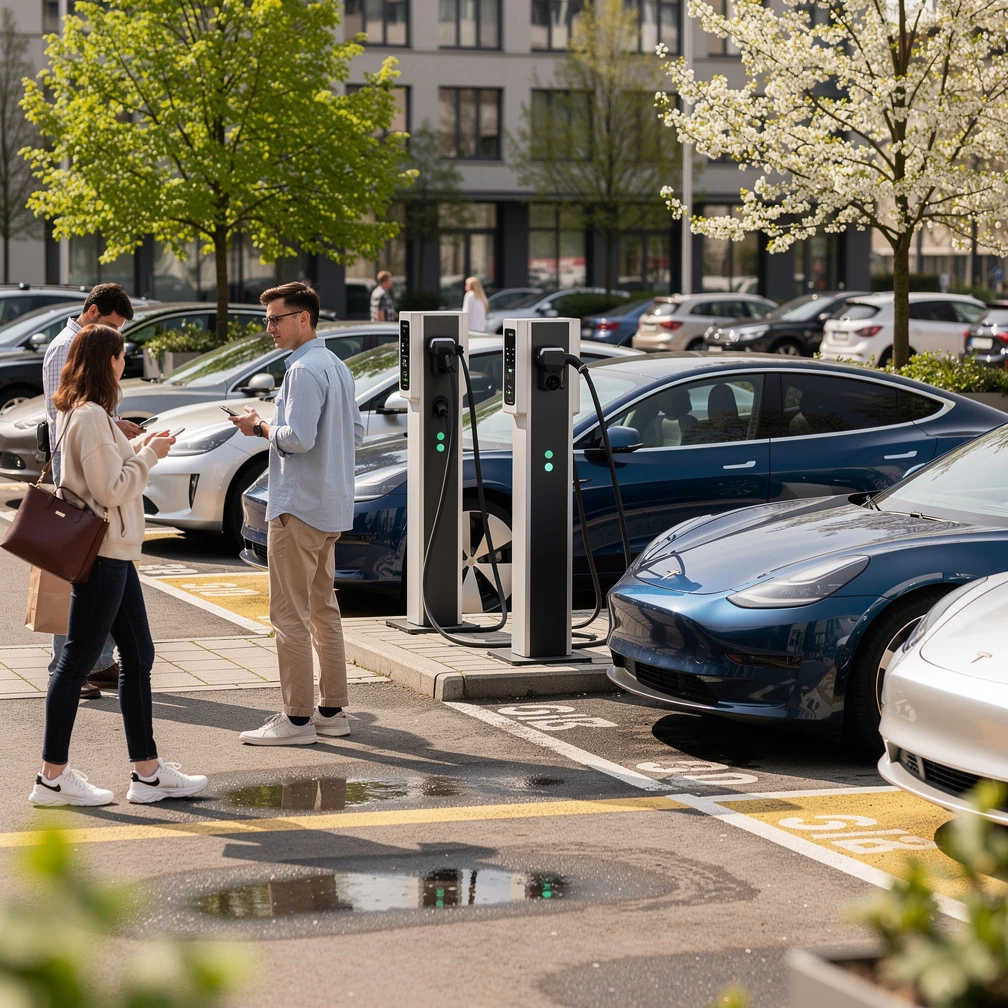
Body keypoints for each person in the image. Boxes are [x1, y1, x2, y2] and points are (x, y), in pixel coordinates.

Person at [29, 324, 208, 807]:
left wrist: (143, 443)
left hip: (116, 554)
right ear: (105, 361)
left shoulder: (87, 414)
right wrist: (151, 453)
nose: (125, 362)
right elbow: (110, 490)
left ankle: (147, 773)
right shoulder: (89, 416)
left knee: (139, 656)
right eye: (121, 355)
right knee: (74, 664)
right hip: (104, 554)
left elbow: (106, 470)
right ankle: (51, 778)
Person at [231, 282, 363, 746]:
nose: (269, 328)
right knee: (323, 610)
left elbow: (298, 438)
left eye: (275, 319)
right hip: (328, 506)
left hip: (298, 506)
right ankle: (331, 711)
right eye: (267, 320)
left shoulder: (304, 370)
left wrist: (259, 426)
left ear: (302, 318)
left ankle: (297, 719)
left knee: (288, 614)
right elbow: (357, 431)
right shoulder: (337, 367)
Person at [42, 283, 144, 699]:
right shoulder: (66, 346)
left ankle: (97, 662)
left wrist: (115, 432)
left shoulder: (80, 344)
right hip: (79, 477)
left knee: (94, 572)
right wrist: (114, 433)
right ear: (94, 311)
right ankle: (65, 668)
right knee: (78, 573)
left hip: (92, 463)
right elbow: (64, 415)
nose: (116, 342)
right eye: (112, 326)